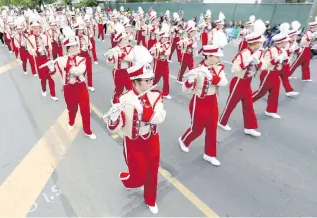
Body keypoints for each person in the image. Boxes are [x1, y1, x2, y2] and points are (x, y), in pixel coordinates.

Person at [105, 45, 166, 214]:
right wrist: (115, 116)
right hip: (133, 142)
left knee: (152, 170)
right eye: (147, 81)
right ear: (136, 81)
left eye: (151, 79)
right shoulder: (124, 98)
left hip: (152, 139)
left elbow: (160, 117)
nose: (151, 83)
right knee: (138, 176)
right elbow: (116, 127)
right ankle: (127, 179)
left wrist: (142, 110)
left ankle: (150, 199)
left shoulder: (156, 96)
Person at [178, 31, 228, 166]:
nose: (219, 59)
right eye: (216, 57)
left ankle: (210, 154)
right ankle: (183, 140)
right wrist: (190, 80)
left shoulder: (218, 68)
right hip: (199, 102)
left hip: (213, 101)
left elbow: (224, 82)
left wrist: (212, 77)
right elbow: (185, 89)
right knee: (197, 129)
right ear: (209, 56)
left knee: (212, 129)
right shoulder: (198, 69)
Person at [46, 26, 97, 140]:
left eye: (75, 46)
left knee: (85, 109)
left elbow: (80, 71)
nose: (74, 48)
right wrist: (51, 68)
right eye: (72, 47)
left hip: (81, 87)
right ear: (67, 49)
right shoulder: (61, 61)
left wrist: (67, 65)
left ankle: (87, 130)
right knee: (72, 109)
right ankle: (71, 121)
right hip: (68, 89)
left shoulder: (81, 59)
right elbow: (55, 77)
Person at [218, 19, 267, 137]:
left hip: (247, 83)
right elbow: (234, 69)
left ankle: (249, 127)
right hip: (238, 82)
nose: (261, 45)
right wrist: (246, 62)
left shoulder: (258, 53)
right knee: (231, 104)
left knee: (249, 106)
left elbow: (264, 66)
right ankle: (221, 121)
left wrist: (258, 62)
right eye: (259, 43)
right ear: (254, 43)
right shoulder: (244, 53)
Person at [252, 22, 291, 119]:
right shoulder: (270, 50)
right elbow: (266, 63)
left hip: (275, 73)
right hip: (268, 73)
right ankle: (248, 101)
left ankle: (271, 110)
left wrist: (285, 59)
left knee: (275, 93)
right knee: (261, 92)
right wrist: (277, 59)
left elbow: (285, 63)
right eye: (285, 42)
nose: (286, 43)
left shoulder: (282, 51)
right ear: (280, 42)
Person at [289, 16, 317, 81]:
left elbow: (313, 40)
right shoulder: (309, 32)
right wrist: (315, 35)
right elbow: (308, 39)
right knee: (297, 62)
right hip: (303, 48)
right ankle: (288, 74)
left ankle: (306, 77)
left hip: (307, 49)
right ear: (313, 27)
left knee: (306, 64)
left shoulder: (312, 33)